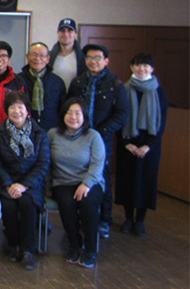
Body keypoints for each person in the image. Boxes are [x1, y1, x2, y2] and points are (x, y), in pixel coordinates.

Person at [67, 43, 129, 238]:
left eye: (97, 58)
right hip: (77, 138)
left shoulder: (116, 85)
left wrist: (101, 131)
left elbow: (122, 114)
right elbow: (68, 108)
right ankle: (79, 217)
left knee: (102, 177)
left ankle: (105, 220)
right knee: (78, 175)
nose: (93, 62)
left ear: (106, 61)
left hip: (102, 138)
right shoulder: (78, 82)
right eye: (90, 58)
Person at [0, 91, 50, 271]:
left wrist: (24, 185)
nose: (16, 111)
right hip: (8, 182)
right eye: (12, 107)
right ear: (6, 110)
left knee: (27, 204)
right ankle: (13, 245)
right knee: (8, 205)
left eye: (20, 107)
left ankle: (27, 250)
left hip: (31, 183)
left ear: (27, 111)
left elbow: (43, 163)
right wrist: (9, 184)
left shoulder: (40, 134)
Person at [48, 97, 105, 269]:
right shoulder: (53, 134)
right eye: (69, 112)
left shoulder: (93, 136)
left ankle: (91, 249)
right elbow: (45, 162)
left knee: (87, 203)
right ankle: (74, 244)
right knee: (66, 203)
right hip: (62, 182)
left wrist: (86, 184)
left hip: (90, 182)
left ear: (85, 116)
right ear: (63, 115)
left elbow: (98, 164)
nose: (73, 117)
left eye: (78, 113)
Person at [115, 53, 168, 236]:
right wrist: (126, 144)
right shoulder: (124, 89)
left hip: (149, 145)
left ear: (152, 69)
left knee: (146, 181)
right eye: (138, 65)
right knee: (127, 181)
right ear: (132, 67)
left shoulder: (159, 91)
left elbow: (161, 123)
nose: (142, 69)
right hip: (128, 143)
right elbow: (119, 116)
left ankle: (140, 220)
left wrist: (147, 146)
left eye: (146, 66)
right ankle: (128, 218)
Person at [17, 42, 66, 131]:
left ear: (48, 59)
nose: (37, 58)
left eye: (42, 55)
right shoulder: (18, 80)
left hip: (51, 129)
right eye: (34, 55)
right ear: (27, 57)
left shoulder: (57, 82)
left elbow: (62, 109)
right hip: (23, 128)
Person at [49, 18, 87, 90]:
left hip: (75, 98)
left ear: (75, 33)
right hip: (54, 98)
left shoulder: (83, 58)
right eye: (62, 30)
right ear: (58, 32)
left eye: (69, 30)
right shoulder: (49, 57)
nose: (66, 34)